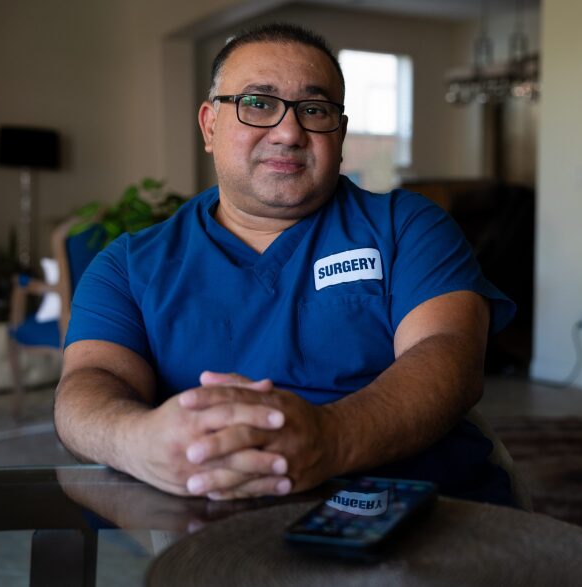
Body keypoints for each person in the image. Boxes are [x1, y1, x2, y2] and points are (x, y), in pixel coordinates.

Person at [54, 23, 517, 506]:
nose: (289, 131)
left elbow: (449, 356)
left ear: (338, 133)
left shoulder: (407, 227)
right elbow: (89, 385)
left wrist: (330, 438)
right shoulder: (129, 264)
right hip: (214, 527)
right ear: (210, 125)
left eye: (314, 110)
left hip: (425, 510)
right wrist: (140, 441)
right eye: (258, 104)